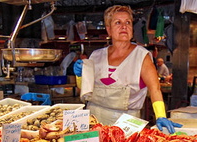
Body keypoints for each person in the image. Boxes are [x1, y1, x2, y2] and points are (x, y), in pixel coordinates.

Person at [73, 5, 181, 133]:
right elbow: (84, 90)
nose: (124, 26)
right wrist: (80, 76)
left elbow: (155, 89)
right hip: (94, 120)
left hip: (126, 125)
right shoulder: (96, 55)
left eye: (128, 22)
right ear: (109, 29)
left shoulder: (142, 56)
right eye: (118, 22)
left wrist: (161, 115)